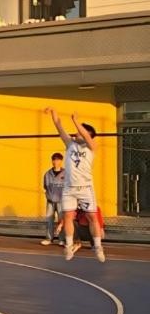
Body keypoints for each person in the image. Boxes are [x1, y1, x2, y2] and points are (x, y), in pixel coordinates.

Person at [45, 107, 105, 262]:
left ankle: (98, 247)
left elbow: (85, 135)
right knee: (68, 216)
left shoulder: (92, 147)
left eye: (80, 131)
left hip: (85, 188)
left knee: (92, 217)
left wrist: (75, 121)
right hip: (69, 188)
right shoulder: (70, 144)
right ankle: (69, 245)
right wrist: (54, 113)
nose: (76, 133)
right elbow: (59, 127)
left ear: (87, 135)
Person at [41, 152, 65, 245]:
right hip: (50, 201)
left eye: (58, 160)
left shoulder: (66, 174)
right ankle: (49, 239)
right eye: (54, 160)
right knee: (49, 220)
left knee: (61, 220)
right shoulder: (47, 174)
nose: (55, 162)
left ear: (61, 161)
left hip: (61, 201)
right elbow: (45, 186)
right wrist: (49, 195)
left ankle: (62, 239)